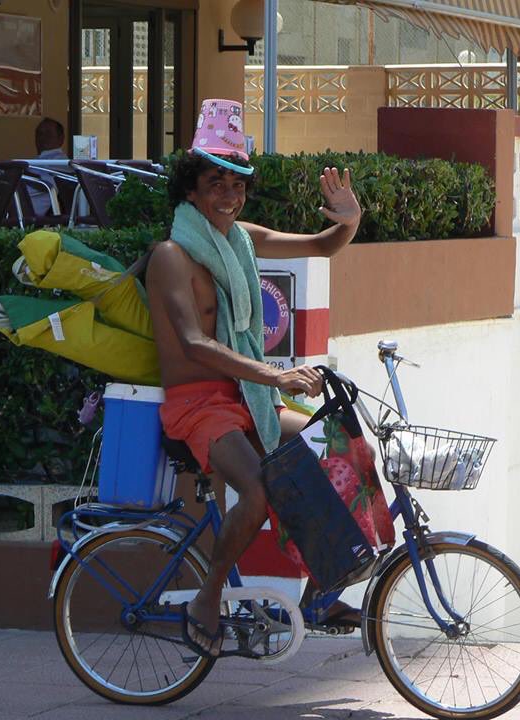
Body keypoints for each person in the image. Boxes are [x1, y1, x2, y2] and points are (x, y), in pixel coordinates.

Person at [146, 98, 363, 658]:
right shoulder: (172, 255)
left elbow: (321, 246)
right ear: (190, 190)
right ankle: (207, 598)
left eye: (237, 183)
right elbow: (195, 343)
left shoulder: (241, 240)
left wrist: (349, 218)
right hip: (198, 405)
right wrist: (275, 375)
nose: (229, 193)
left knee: (336, 445)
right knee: (259, 489)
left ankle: (320, 589)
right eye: (216, 181)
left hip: (244, 398)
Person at [27, 117, 68, 218]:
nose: (42, 138)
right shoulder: (39, 160)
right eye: (39, 134)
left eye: (48, 134)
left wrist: (20, 176)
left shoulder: (60, 162)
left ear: (61, 138)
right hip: (13, 204)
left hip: (29, 214)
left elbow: (49, 186)